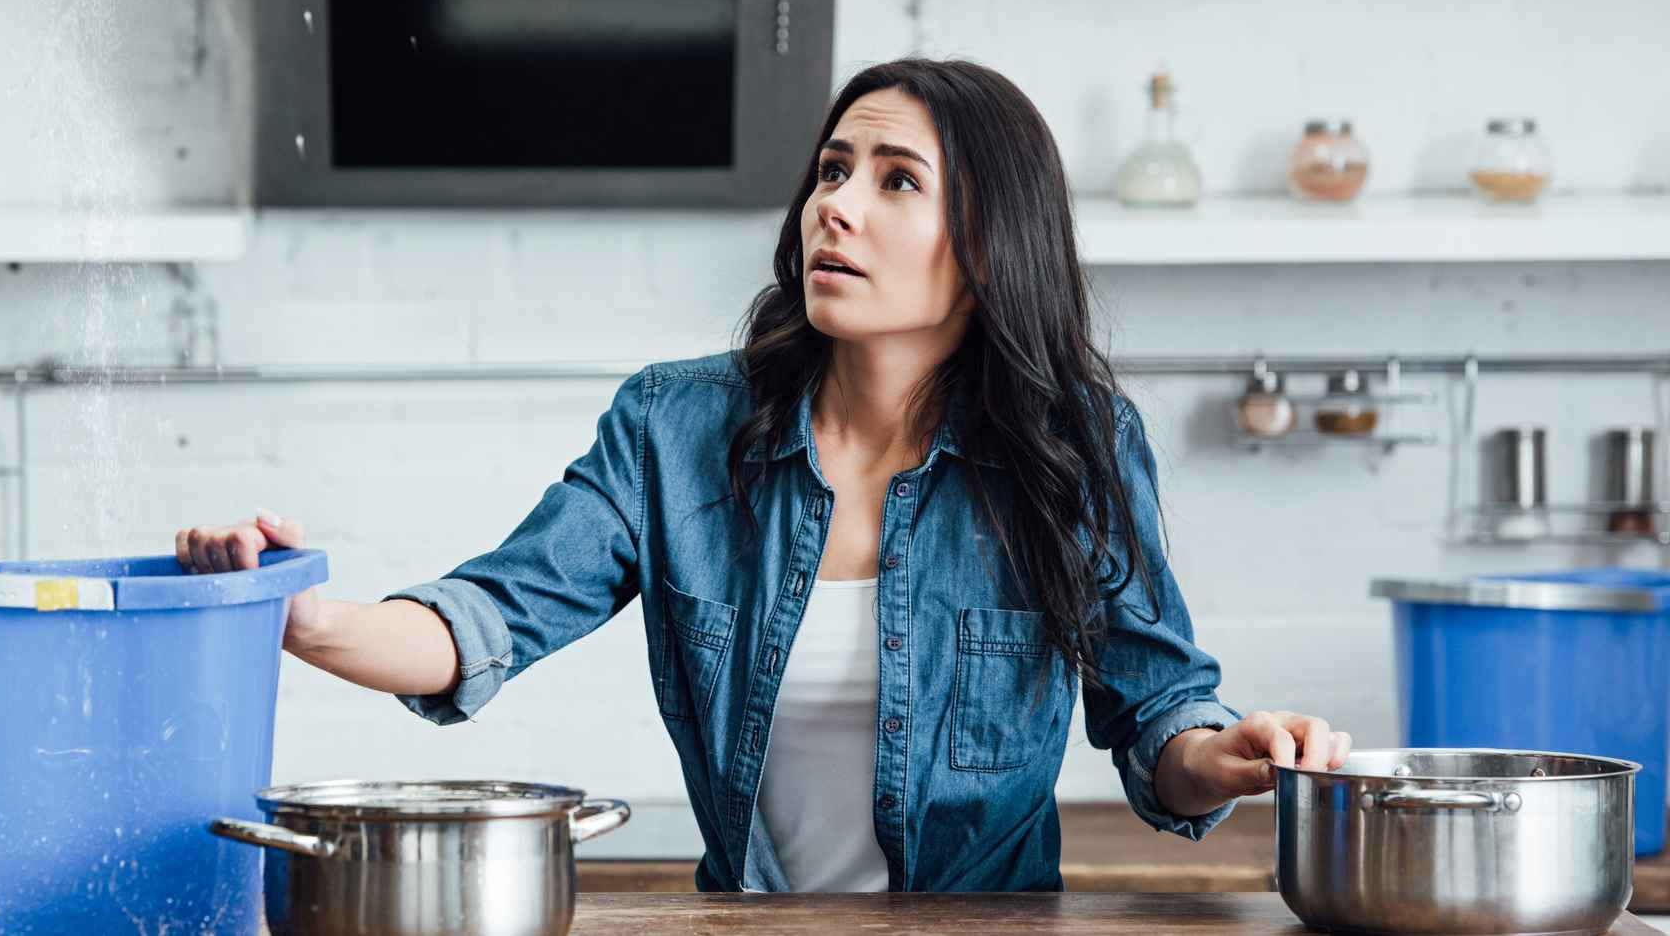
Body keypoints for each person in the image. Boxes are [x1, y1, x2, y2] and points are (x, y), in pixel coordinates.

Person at [176, 58, 1350, 894]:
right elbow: (485, 618)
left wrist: (1229, 758)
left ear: (992, 248)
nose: (831, 204)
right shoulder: (675, 426)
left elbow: (1157, 718)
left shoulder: (1076, 443)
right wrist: (301, 617)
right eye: (832, 168)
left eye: (895, 180)